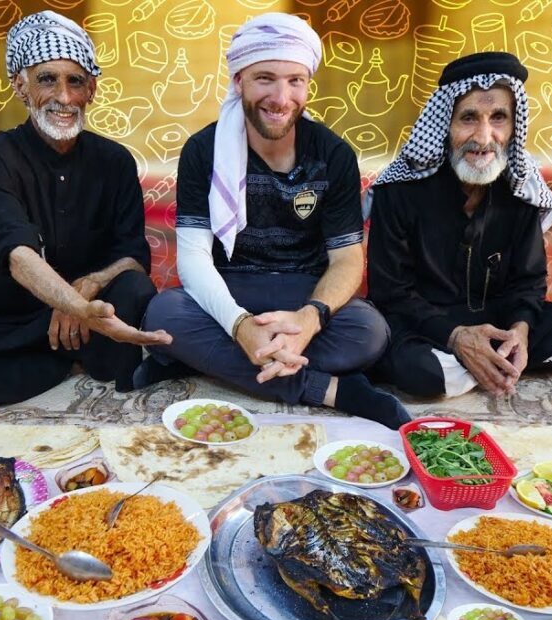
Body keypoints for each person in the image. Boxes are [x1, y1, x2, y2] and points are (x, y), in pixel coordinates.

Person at [133, 13, 411, 430]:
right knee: (163, 314)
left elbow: (347, 260)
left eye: (295, 81)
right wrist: (240, 325)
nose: (281, 97)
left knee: (370, 332)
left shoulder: (332, 154)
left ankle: (204, 360)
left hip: (301, 290)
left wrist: (307, 321)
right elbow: (193, 258)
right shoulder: (203, 150)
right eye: (266, 78)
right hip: (230, 287)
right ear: (239, 80)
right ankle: (330, 390)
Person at [0, 10, 170, 408]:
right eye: (47, 79)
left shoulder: (115, 160)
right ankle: (64, 364)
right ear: (20, 87)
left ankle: (69, 357)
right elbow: (16, 250)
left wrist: (90, 286)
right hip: (18, 318)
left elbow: (135, 258)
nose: (63, 97)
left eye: (75, 81)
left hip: (95, 310)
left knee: (134, 289)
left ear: (90, 90)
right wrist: (71, 306)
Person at [367, 51, 552, 398]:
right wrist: (457, 336)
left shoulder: (520, 188)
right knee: (420, 371)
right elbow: (391, 292)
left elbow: (529, 280)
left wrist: (520, 332)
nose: (483, 137)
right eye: (468, 118)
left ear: (513, 125)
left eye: (498, 118)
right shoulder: (400, 191)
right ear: (445, 125)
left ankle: (491, 360)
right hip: (428, 326)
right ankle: (477, 362)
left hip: (497, 319)